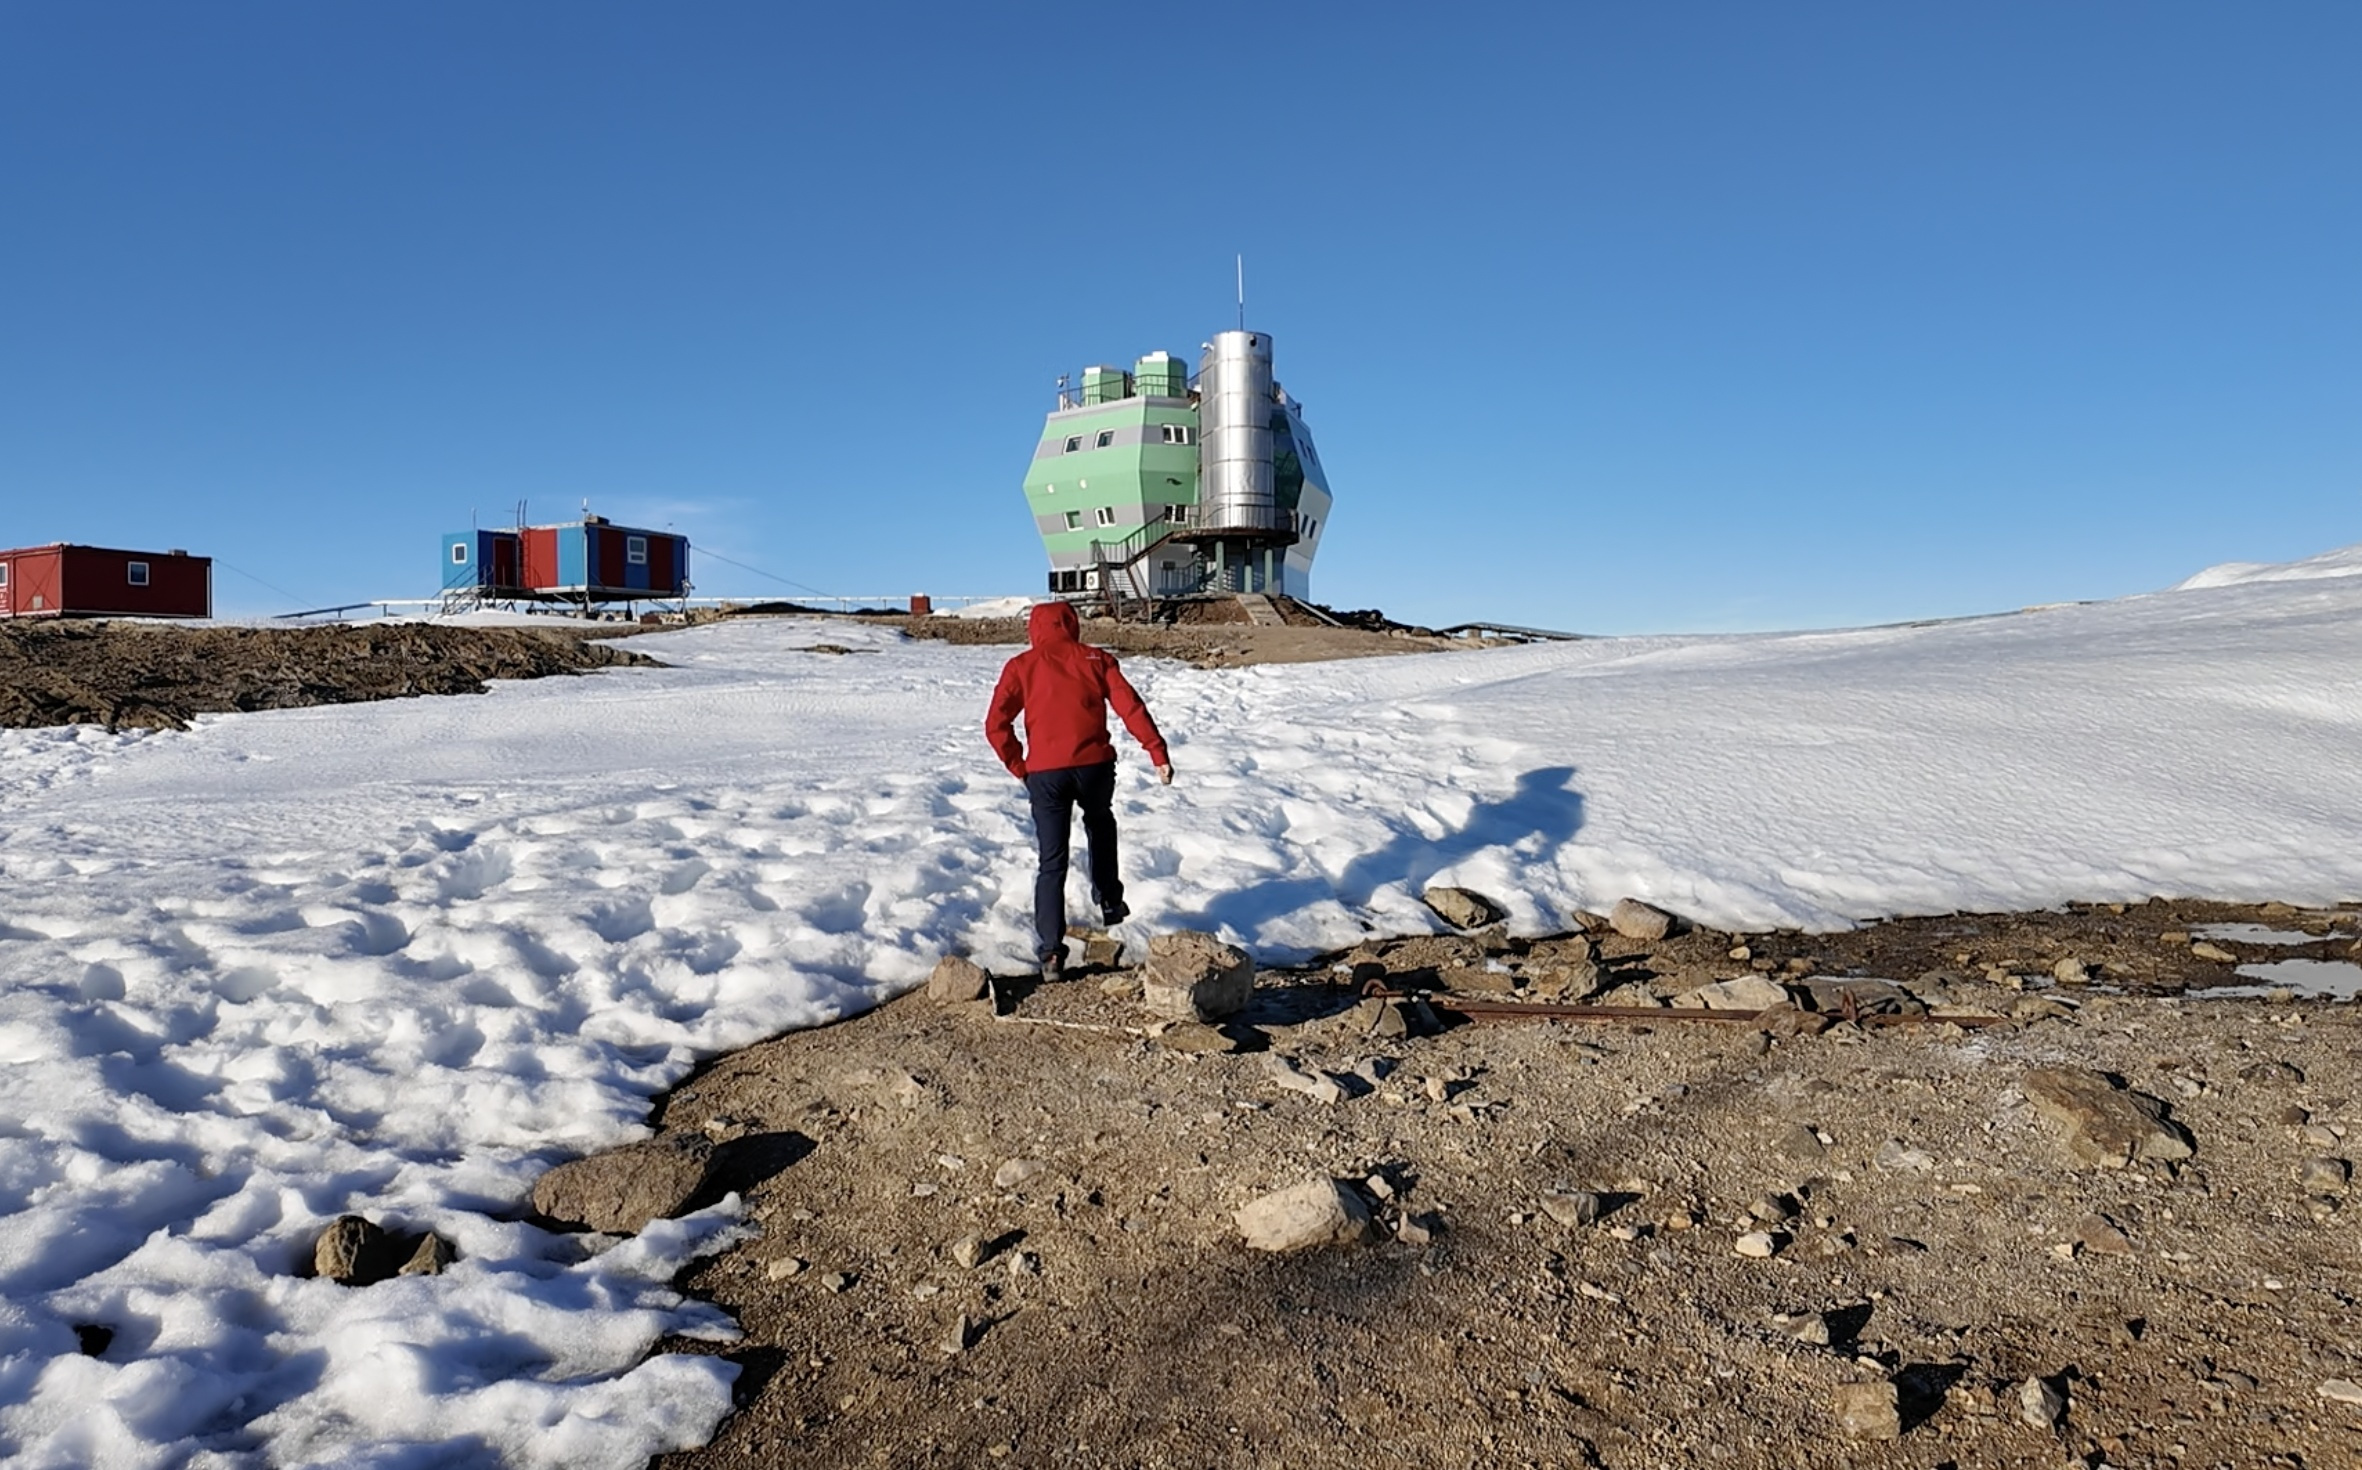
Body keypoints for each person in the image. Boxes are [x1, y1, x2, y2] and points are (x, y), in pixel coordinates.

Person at [985, 601, 1172, 978]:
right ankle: (1109, 900)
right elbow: (1130, 707)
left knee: (1051, 861)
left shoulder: (1021, 666)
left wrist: (1020, 767)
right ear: (1072, 624)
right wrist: (1157, 751)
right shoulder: (1096, 659)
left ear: (1034, 629)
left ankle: (1051, 953)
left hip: (1046, 774)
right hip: (1094, 767)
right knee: (1100, 822)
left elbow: (995, 725)